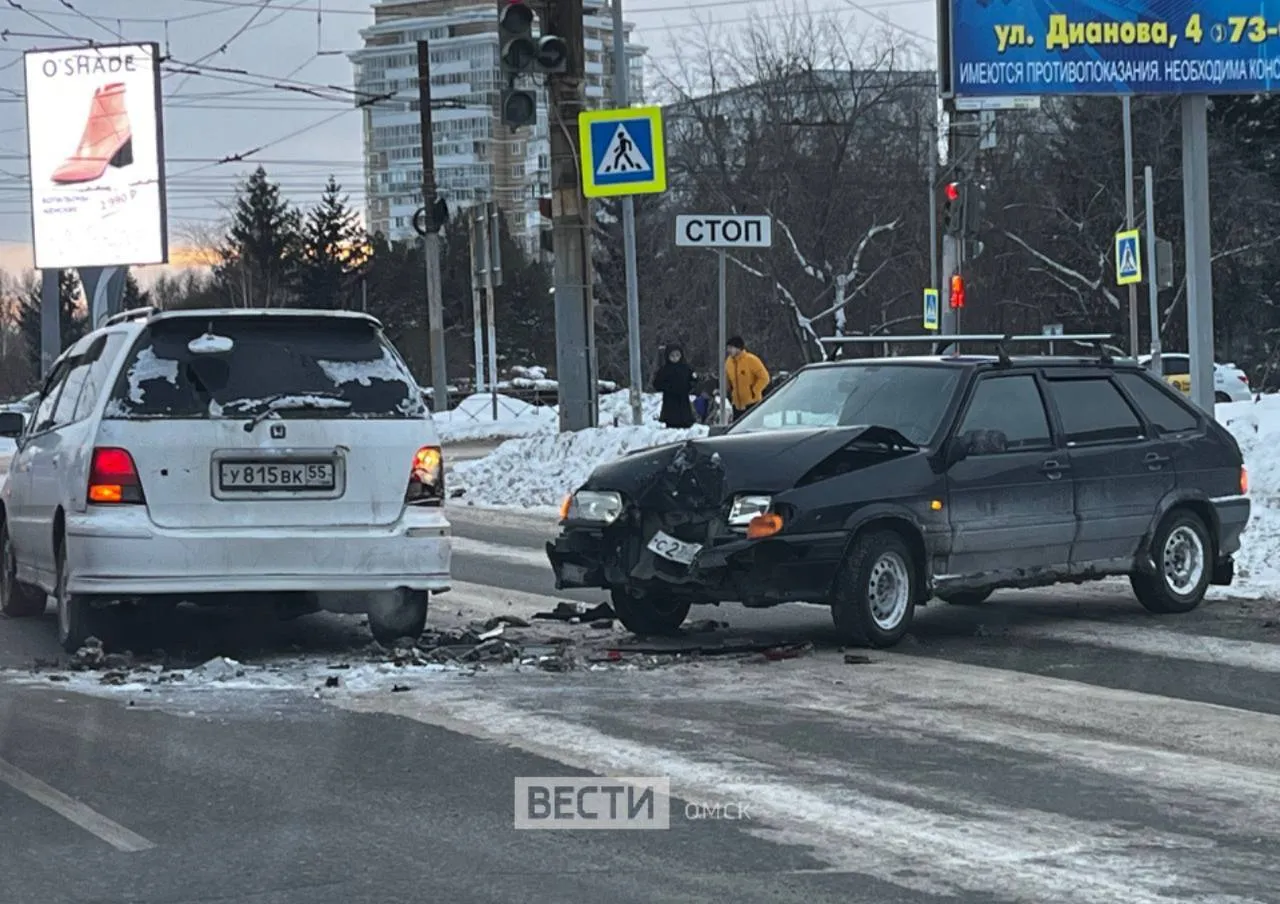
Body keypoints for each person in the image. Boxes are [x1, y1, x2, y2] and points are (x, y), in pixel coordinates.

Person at [724, 336, 769, 420]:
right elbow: (727, 379)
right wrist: (728, 392)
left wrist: (754, 390)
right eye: (728, 348)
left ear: (738, 348)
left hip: (752, 403)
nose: (728, 350)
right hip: (736, 405)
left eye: (731, 348)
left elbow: (764, 377)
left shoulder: (751, 360)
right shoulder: (728, 362)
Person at [652, 343, 696, 428]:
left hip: (683, 400)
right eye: (672, 355)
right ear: (668, 356)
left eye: (677, 355)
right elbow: (656, 384)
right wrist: (667, 388)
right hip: (670, 401)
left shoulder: (686, 368)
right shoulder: (664, 370)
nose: (675, 358)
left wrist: (691, 385)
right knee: (672, 422)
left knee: (685, 421)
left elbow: (693, 380)